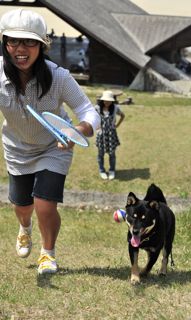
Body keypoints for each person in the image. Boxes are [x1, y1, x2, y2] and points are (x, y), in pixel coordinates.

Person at [0, 9, 100, 274]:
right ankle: (25, 227)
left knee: (45, 203)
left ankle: (48, 254)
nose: (20, 49)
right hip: (17, 147)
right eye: (13, 41)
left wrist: (76, 130)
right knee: (22, 207)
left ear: (42, 45)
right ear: (4, 42)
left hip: (53, 147)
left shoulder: (59, 77)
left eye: (29, 41)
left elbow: (90, 112)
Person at [95, 90, 125, 180]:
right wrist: (97, 128)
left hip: (112, 134)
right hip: (101, 135)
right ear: (102, 100)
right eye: (105, 100)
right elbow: (92, 118)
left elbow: (123, 115)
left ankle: (112, 170)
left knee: (112, 154)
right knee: (100, 154)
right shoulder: (97, 108)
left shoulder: (115, 108)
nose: (106, 102)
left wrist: (117, 125)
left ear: (112, 101)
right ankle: (102, 170)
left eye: (108, 100)